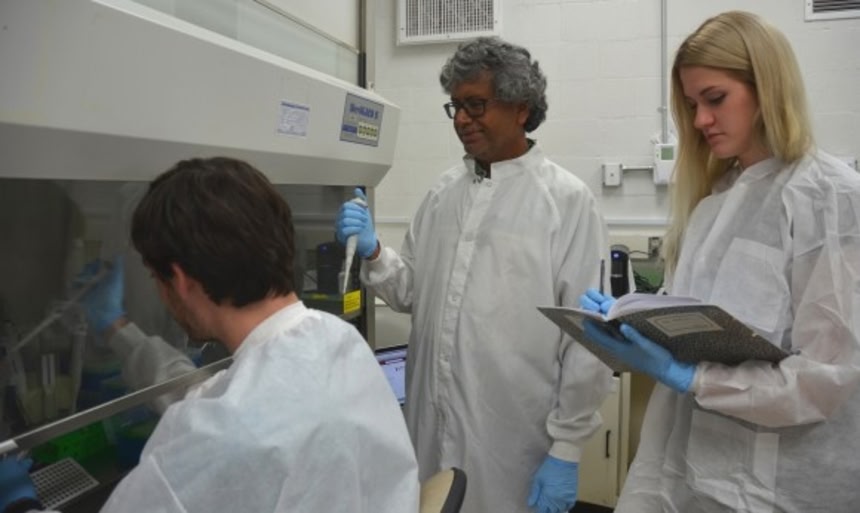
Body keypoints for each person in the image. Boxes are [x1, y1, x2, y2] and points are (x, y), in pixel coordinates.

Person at [0, 157, 419, 513]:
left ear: (179, 279)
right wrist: (116, 327)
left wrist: (20, 503)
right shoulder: (342, 342)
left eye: (155, 278)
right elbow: (212, 397)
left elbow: (222, 427)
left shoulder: (211, 442)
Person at [580, 11, 860, 512]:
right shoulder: (714, 202)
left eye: (715, 99)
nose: (700, 121)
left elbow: (826, 380)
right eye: (692, 105)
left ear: (768, 87)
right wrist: (638, 323)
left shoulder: (829, 198)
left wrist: (693, 378)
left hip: (778, 486)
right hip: (690, 470)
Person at [336, 37, 613, 513]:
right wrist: (375, 252)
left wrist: (567, 448)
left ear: (521, 108)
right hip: (429, 433)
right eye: (456, 106)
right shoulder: (443, 194)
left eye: (476, 105)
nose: (462, 119)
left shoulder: (566, 202)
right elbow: (412, 293)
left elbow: (587, 340)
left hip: (512, 444)